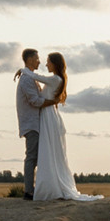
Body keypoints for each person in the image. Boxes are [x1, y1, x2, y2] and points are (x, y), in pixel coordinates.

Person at [29, 52, 100, 203]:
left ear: (55, 64)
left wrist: (22, 70)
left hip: (48, 115)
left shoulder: (55, 79)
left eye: (48, 62)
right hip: (48, 114)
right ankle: (51, 186)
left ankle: (51, 188)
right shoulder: (57, 79)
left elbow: (36, 77)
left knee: (48, 149)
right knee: (50, 150)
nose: (46, 64)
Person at [13, 48, 54, 199]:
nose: (39, 62)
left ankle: (32, 189)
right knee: (31, 157)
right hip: (31, 123)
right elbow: (35, 101)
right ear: (30, 59)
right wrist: (53, 101)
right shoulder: (27, 79)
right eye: (37, 59)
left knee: (34, 156)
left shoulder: (30, 77)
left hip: (34, 122)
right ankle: (29, 191)